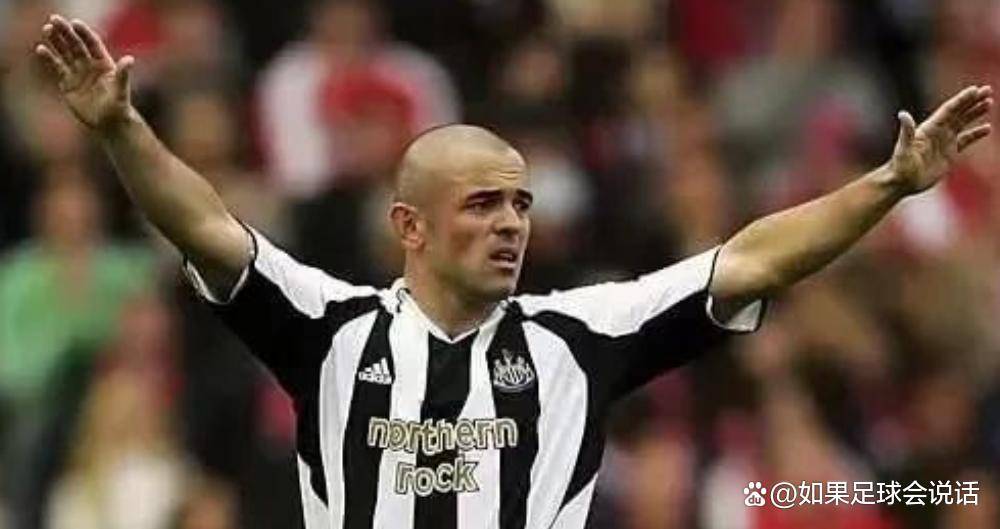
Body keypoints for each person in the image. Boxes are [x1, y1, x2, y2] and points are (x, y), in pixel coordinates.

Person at [34, 13, 993, 529]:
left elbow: (750, 259)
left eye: (522, 204)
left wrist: (888, 183)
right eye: (484, 203)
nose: (511, 224)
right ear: (409, 225)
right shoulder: (331, 329)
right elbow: (207, 228)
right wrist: (121, 129)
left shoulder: (580, 338)